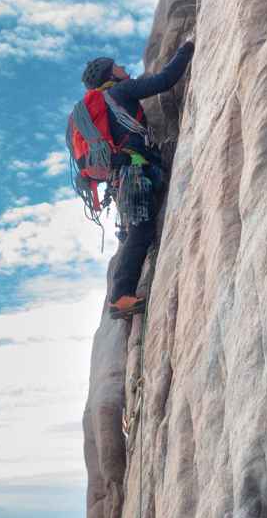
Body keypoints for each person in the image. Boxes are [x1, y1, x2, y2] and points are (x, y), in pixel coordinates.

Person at [72, 40, 195, 319]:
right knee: (141, 230)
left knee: (134, 231)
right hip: (134, 172)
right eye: (117, 67)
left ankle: (123, 291)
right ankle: (121, 296)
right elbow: (164, 80)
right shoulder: (121, 91)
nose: (124, 68)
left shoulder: (104, 103)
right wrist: (186, 50)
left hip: (122, 176)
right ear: (109, 75)